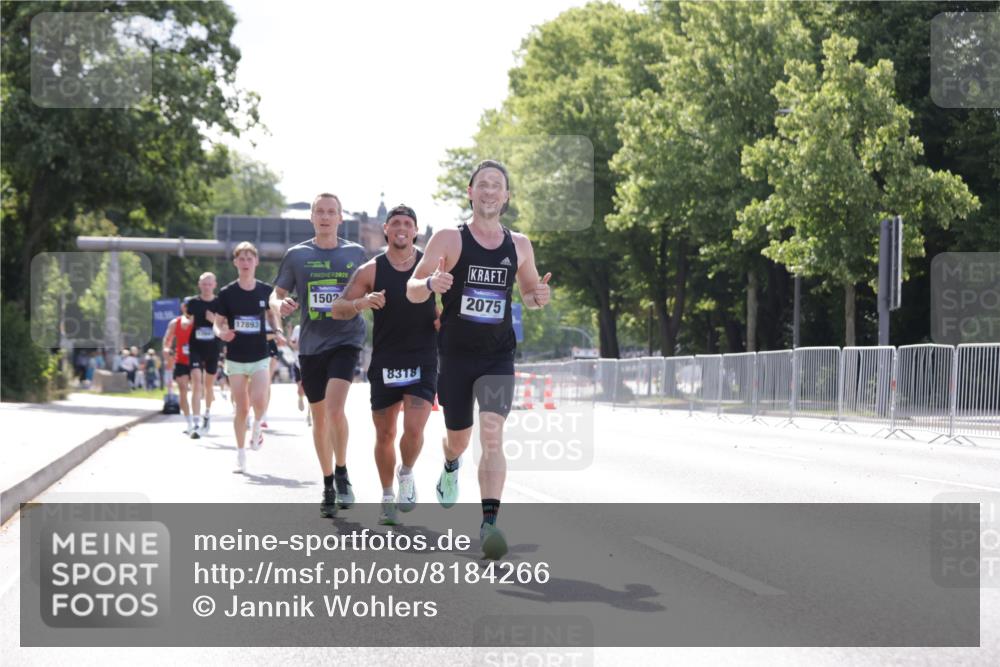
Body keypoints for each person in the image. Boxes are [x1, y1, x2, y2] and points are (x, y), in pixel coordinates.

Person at [407, 160, 551, 559]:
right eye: (482, 185)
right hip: (455, 356)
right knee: (459, 439)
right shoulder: (449, 239)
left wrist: (538, 297)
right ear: (471, 192)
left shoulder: (519, 245)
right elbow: (412, 289)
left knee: (492, 434)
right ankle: (450, 464)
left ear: (506, 196)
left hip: (497, 356)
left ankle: (489, 523)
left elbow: (529, 294)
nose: (489, 191)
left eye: (496, 186)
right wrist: (430, 282)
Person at [333, 204, 437, 525]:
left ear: (415, 231)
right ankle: (388, 496)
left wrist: (443, 320)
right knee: (385, 433)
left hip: (422, 357)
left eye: (408, 223)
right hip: (386, 360)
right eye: (396, 223)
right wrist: (361, 302)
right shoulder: (370, 270)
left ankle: (406, 472)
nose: (402, 228)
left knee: (414, 430)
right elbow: (338, 308)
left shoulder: (430, 265)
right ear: (386, 229)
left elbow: (451, 305)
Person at [270, 193, 367, 518]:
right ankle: (327, 483)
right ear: (312, 217)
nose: (325, 217)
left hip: (346, 339)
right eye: (320, 212)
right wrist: (279, 305)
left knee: (336, 410)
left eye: (331, 212)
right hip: (312, 345)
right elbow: (275, 295)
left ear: (340, 218)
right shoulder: (297, 255)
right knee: (320, 416)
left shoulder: (355, 253)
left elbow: (371, 288)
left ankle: (342, 470)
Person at [214, 242, 279, 473]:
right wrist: (221, 333)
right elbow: (217, 323)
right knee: (241, 408)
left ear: (256, 262)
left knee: (259, 399)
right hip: (236, 357)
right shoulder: (227, 293)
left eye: (249, 259)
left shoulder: (265, 290)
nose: (245, 263)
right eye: (241, 259)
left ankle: (257, 428)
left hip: (260, 354)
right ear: (235, 262)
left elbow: (272, 315)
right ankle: (241, 453)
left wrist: (278, 330)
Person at [186, 272, 221, 435]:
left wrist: (213, 320)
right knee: (196, 381)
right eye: (204, 284)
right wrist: (186, 322)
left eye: (209, 284)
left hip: (213, 348)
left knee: (208, 385)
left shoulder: (220, 303)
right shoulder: (193, 302)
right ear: (199, 285)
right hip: (196, 347)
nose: (207, 287)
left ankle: (207, 413)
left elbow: (226, 325)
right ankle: (195, 422)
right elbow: (187, 318)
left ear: (214, 285)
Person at [162, 299, 197, 435]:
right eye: (187, 306)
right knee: (183, 389)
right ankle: (189, 422)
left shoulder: (199, 322)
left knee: (197, 390)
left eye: (192, 306)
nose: (189, 309)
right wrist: (166, 349)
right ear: (183, 307)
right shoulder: (175, 323)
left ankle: (198, 420)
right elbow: (167, 339)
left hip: (197, 360)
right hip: (181, 360)